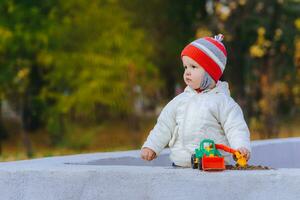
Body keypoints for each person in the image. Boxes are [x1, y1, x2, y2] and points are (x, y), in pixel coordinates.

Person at [140, 34, 251, 167]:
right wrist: (152, 146)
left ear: (210, 72)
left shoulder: (223, 102)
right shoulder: (179, 101)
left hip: (214, 167)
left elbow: (235, 127)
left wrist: (241, 147)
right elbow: (164, 125)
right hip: (180, 165)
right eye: (185, 67)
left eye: (193, 67)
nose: (187, 72)